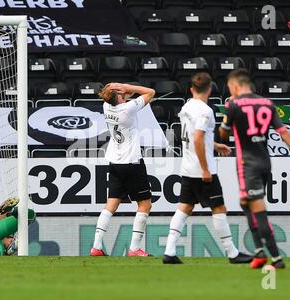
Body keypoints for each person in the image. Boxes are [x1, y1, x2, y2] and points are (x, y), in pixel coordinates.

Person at [219, 69, 290, 269]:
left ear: (235, 86)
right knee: (245, 202)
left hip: (247, 165)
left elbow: (223, 136)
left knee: (258, 210)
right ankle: (259, 251)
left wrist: (227, 120)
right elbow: (283, 132)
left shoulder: (233, 105)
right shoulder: (267, 103)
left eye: (229, 87)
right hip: (264, 162)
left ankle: (276, 259)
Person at [163, 72, 252, 264]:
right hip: (201, 169)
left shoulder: (186, 107)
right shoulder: (205, 111)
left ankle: (169, 252)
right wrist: (204, 169)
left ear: (191, 89)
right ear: (210, 89)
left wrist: (215, 145)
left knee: (184, 207)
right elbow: (197, 139)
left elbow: (196, 137)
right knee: (219, 208)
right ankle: (232, 253)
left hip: (187, 167)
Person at [90, 83, 156, 257]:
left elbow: (127, 97)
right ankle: (134, 249)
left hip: (114, 160)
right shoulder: (127, 110)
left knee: (111, 203)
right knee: (144, 204)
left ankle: (96, 246)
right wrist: (126, 86)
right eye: (121, 94)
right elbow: (150, 91)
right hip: (132, 161)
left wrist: (123, 90)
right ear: (119, 97)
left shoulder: (106, 106)